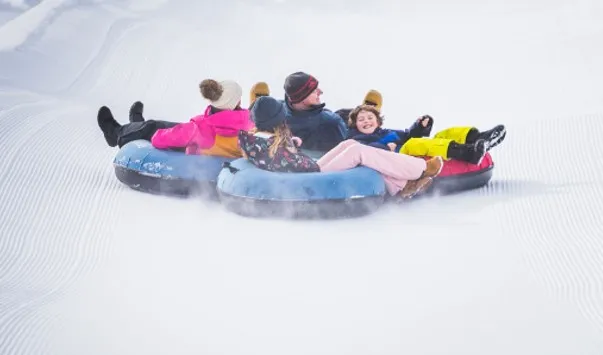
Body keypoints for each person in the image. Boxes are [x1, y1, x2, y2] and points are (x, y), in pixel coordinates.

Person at [237, 96, 445, 199]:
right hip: (309, 173)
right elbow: (281, 161)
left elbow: (279, 155)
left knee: (350, 143)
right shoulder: (266, 143)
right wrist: (291, 149)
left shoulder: (258, 139)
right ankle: (420, 169)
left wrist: (293, 145)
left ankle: (401, 185)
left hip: (308, 166)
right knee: (358, 151)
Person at [96, 79, 254, 157]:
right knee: (158, 126)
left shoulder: (199, 129)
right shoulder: (250, 122)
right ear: (238, 102)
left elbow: (159, 139)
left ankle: (115, 132)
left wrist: (154, 134)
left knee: (152, 127)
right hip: (219, 145)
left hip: (198, 145)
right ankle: (137, 123)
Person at [345, 104, 508, 164]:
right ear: (355, 124)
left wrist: (420, 126)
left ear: (378, 121)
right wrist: (385, 147)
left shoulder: (387, 132)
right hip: (397, 158)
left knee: (442, 135)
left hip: (405, 149)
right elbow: (364, 152)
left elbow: (408, 134)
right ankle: (469, 153)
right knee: (415, 144)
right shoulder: (357, 139)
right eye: (361, 119)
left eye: (370, 118)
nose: (366, 121)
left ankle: (481, 139)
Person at [248, 72, 348, 152]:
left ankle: (258, 104)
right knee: (345, 117)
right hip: (320, 158)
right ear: (302, 98)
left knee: (264, 109)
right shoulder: (331, 123)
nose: (320, 92)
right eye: (314, 91)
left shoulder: (275, 113)